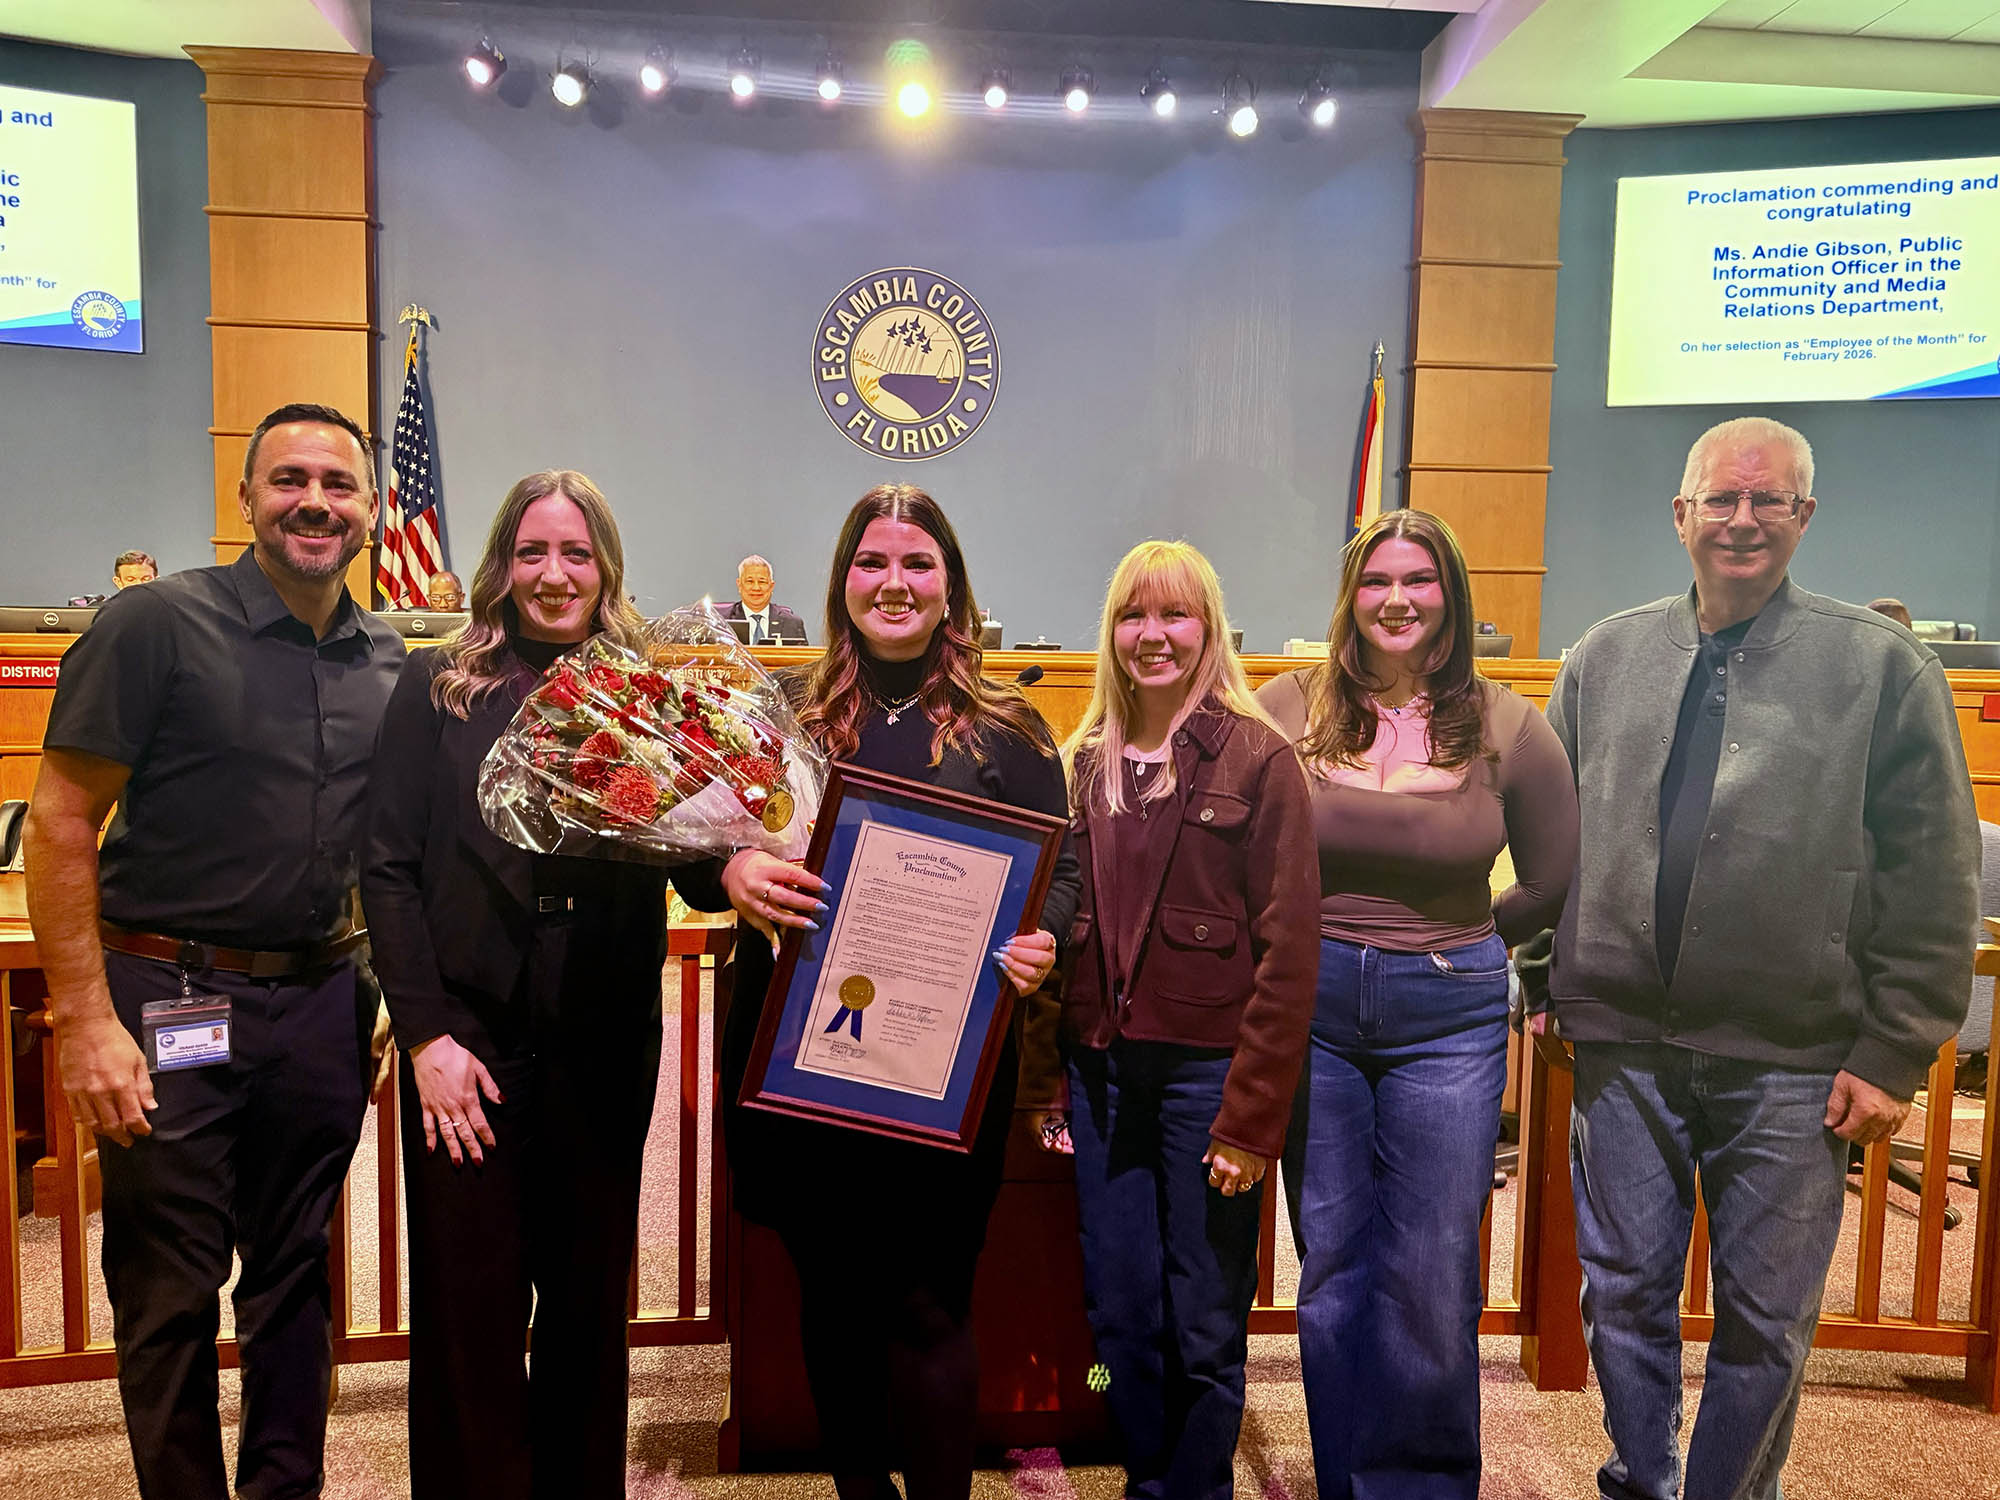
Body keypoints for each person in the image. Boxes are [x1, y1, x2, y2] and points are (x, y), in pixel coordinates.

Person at [1544, 415, 1978, 1500]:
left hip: (1794, 1060)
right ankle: (1642, 1480)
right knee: (1620, 1295)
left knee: (1765, 1320)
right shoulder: (1602, 658)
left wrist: (1892, 1049)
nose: (1741, 519)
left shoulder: (1883, 667)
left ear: (1803, 514)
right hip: (1624, 1048)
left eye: (1767, 498)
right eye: (1720, 498)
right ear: (1680, 513)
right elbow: (1550, 837)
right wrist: (1544, 975)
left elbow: (1934, 874)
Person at [22, 401, 402, 1500]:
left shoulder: (389, 657)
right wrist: (86, 1021)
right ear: (245, 499)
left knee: (296, 1279)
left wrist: (382, 985)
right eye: (289, 480)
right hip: (170, 1000)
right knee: (170, 1285)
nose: (314, 503)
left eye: (338, 483)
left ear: (371, 508)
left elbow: (388, 846)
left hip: (321, 1005)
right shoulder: (154, 625)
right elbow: (59, 823)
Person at [701, 483, 1079, 1500]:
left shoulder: (1008, 730)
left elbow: (1065, 869)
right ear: (843, 581)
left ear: (950, 585)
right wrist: (734, 870)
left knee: (929, 1303)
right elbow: (698, 848)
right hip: (800, 1065)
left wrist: (1043, 937)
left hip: (940, 1075)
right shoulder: (785, 715)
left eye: (917, 563)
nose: (894, 582)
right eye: (872, 562)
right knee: (830, 1299)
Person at [362, 470, 687, 1500]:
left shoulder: (643, 695)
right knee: (469, 1310)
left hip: (601, 1037)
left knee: (587, 1306)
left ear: (605, 569)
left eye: (576, 553)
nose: (554, 575)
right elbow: (388, 867)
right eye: (533, 551)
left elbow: (694, 856)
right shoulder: (436, 686)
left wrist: (747, 841)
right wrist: (424, 1035)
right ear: (500, 565)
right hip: (470, 1039)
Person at [1256, 509, 1577, 1500]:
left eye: (1418, 580)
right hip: (1311, 1010)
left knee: (1431, 1272)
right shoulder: (1284, 708)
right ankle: (1347, 1481)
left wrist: (1465, 933)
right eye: (1375, 581)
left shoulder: (1509, 724)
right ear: (1349, 596)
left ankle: (1420, 1485)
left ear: (1450, 596)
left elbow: (1551, 879)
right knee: (1332, 1267)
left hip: (1447, 1015)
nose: (1395, 600)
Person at [1036, 539, 1317, 1500]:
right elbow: (1058, 920)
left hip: (1209, 1079)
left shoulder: (1260, 758)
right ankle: (1148, 1480)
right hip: (1102, 1077)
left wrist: (1251, 1122)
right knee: (1120, 1315)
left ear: (1210, 628)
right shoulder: (1082, 763)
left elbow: (1290, 955)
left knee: (1205, 1316)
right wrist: (1047, 1081)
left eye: (1174, 614)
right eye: (1133, 615)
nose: (1152, 635)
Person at [717, 553, 809, 643]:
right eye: (750, 581)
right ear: (739, 584)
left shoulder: (792, 623)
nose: (756, 588)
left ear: (771, 586)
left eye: (762, 582)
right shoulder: (722, 622)